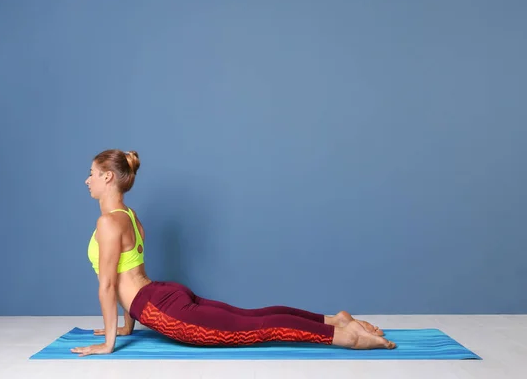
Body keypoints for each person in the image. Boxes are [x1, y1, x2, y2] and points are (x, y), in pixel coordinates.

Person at [71, 149, 396, 357]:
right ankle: (334, 320)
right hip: (162, 293)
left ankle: (346, 338)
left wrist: (109, 343)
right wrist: (128, 327)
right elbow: (129, 273)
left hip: (159, 307)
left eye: (92, 174)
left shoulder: (107, 223)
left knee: (257, 327)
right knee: (253, 316)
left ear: (108, 177)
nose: (87, 180)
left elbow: (109, 285)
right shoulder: (128, 215)